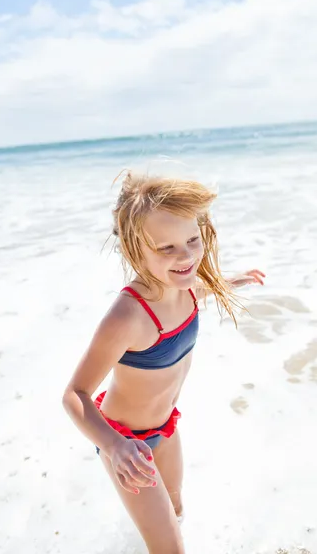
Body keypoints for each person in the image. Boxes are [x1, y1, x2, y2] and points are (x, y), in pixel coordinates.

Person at [62, 172, 265, 554]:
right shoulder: (127, 317)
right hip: (127, 444)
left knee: (176, 512)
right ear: (136, 250)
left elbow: (196, 288)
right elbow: (75, 394)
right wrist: (115, 446)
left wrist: (230, 280)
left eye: (192, 239)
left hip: (166, 430)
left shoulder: (183, 284)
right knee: (170, 548)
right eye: (166, 248)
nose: (186, 256)